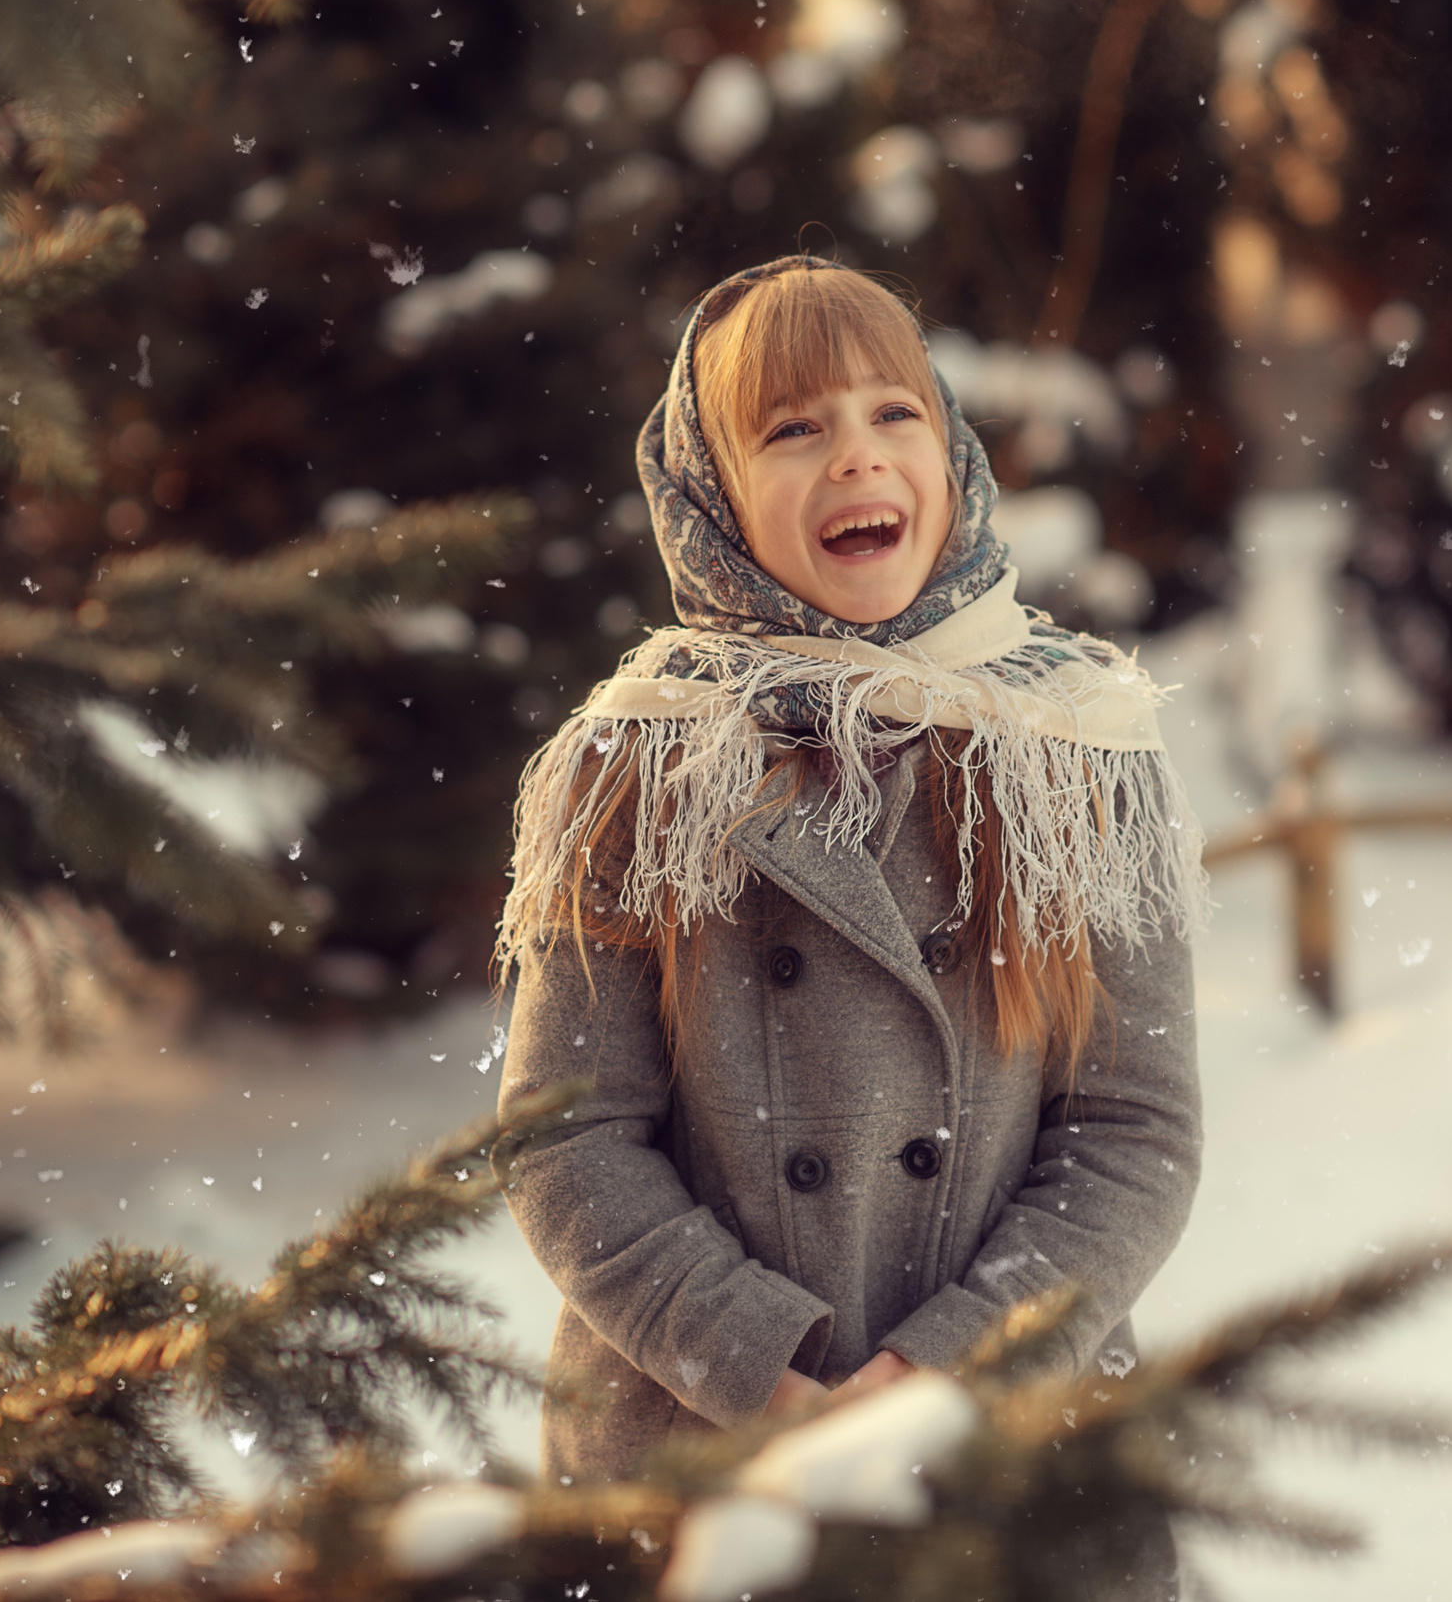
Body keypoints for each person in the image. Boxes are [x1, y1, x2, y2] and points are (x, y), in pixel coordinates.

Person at [493, 255, 1205, 1507]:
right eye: (791, 428)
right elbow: (567, 1139)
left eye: (895, 412)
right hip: (697, 1446)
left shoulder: (1077, 743)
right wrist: (765, 1375)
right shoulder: (646, 756)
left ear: (953, 453)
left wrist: (951, 1369)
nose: (858, 458)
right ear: (710, 495)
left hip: (1007, 1439)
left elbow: (1132, 1130)